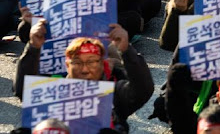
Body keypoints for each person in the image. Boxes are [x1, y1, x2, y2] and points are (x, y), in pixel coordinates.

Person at [14, 27, 154, 132]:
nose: (85, 69)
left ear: (103, 63)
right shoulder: (51, 88)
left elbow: (142, 90)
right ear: (67, 65)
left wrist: (126, 50)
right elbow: (23, 89)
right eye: (77, 63)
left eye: (92, 62)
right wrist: (33, 47)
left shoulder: (113, 92)